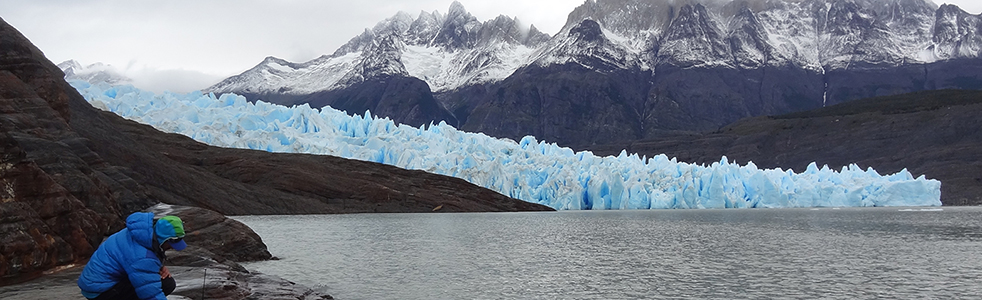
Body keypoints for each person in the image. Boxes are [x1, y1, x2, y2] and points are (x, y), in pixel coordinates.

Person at [77, 212, 188, 300]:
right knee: (166, 284)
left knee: (164, 281)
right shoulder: (143, 256)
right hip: (100, 291)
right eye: (171, 244)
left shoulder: (140, 233)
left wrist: (159, 268)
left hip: (93, 283)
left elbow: (132, 260)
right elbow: (150, 293)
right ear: (164, 239)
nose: (173, 248)